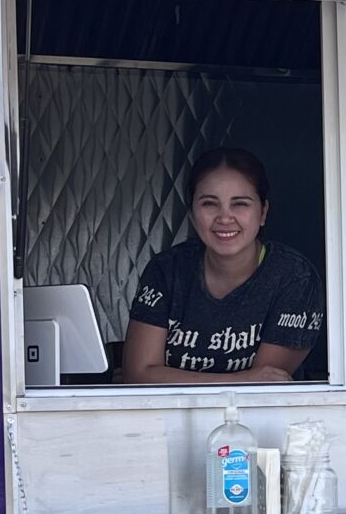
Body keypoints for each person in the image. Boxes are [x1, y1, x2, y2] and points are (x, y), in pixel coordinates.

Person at [118, 148, 324, 383]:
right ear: (193, 211)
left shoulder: (294, 278)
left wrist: (162, 376)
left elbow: (263, 387)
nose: (225, 218)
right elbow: (138, 375)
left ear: (263, 212)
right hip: (167, 418)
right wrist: (240, 380)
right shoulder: (166, 270)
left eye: (240, 204)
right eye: (209, 204)